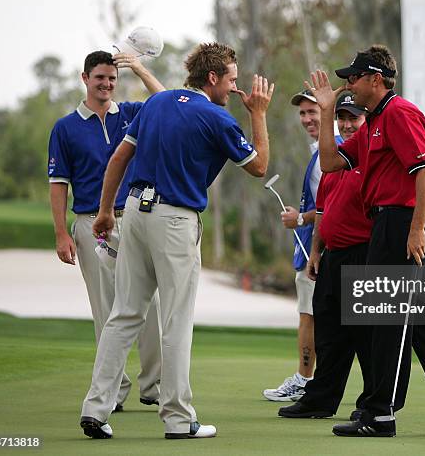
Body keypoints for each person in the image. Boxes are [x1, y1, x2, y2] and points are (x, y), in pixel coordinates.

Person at [80, 42, 273, 440]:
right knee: (176, 322)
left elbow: (119, 159)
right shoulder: (217, 118)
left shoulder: (158, 102)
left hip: (133, 211)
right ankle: (179, 419)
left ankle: (96, 410)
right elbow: (259, 166)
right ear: (213, 78)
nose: (235, 88)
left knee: (124, 314)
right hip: (174, 221)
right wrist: (258, 115)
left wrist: (103, 212)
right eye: (232, 80)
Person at [308, 45, 425, 437]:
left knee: (388, 320)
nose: (348, 84)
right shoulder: (372, 123)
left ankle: (381, 413)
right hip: (391, 223)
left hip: (404, 223)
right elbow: (330, 163)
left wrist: (416, 228)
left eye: (353, 78)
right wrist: (328, 109)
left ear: (375, 80)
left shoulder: (400, 112)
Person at [48, 50, 164, 412]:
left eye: (112, 78)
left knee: (151, 303)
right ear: (85, 78)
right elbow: (58, 183)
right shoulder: (65, 128)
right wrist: (60, 233)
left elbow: (164, 101)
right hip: (88, 224)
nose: (107, 84)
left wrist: (139, 67)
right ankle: (113, 390)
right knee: (106, 308)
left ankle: (154, 385)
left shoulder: (129, 114)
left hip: (131, 218)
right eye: (100, 77)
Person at [278, 91, 373, 419]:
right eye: (342, 118)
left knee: (365, 334)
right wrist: (316, 250)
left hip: (361, 252)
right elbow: (325, 208)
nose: (347, 125)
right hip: (330, 253)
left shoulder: (362, 153)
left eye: (353, 118)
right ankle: (319, 396)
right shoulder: (331, 157)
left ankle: (372, 405)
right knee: (330, 331)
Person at [262, 89, 341, 402]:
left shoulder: (331, 151)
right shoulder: (322, 149)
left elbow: (334, 204)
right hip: (320, 246)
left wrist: (301, 219)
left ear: (328, 111)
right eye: (303, 113)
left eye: (314, 112)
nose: (308, 119)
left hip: (319, 249)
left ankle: (304, 379)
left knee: (308, 316)